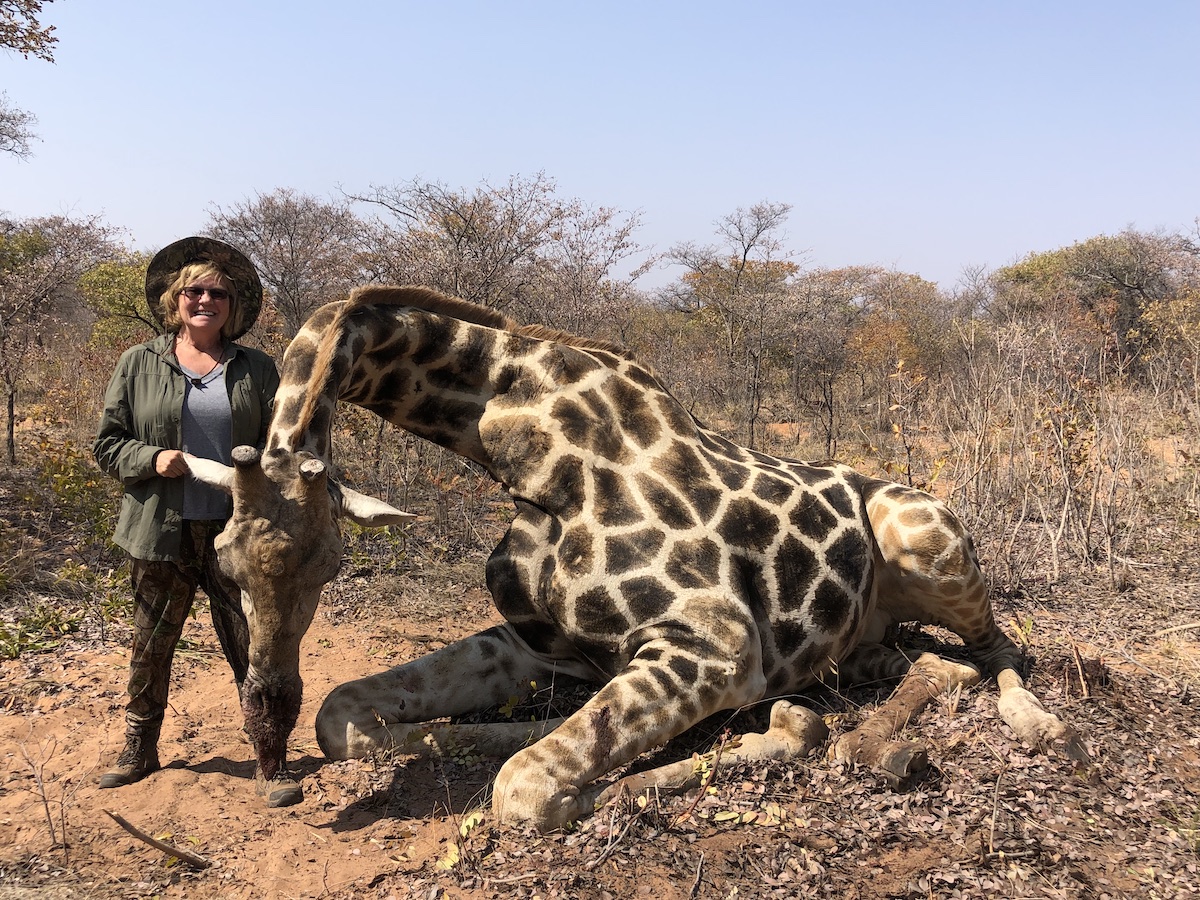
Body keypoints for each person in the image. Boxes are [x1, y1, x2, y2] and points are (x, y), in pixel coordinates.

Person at [93, 236, 280, 791]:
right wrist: (151, 459)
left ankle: (270, 758)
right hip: (159, 531)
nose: (205, 301)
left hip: (235, 533)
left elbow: (282, 445)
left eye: (218, 293)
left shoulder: (257, 368)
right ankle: (140, 748)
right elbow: (107, 444)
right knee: (151, 645)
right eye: (194, 291)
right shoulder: (138, 362)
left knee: (251, 645)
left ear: (233, 306)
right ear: (175, 299)